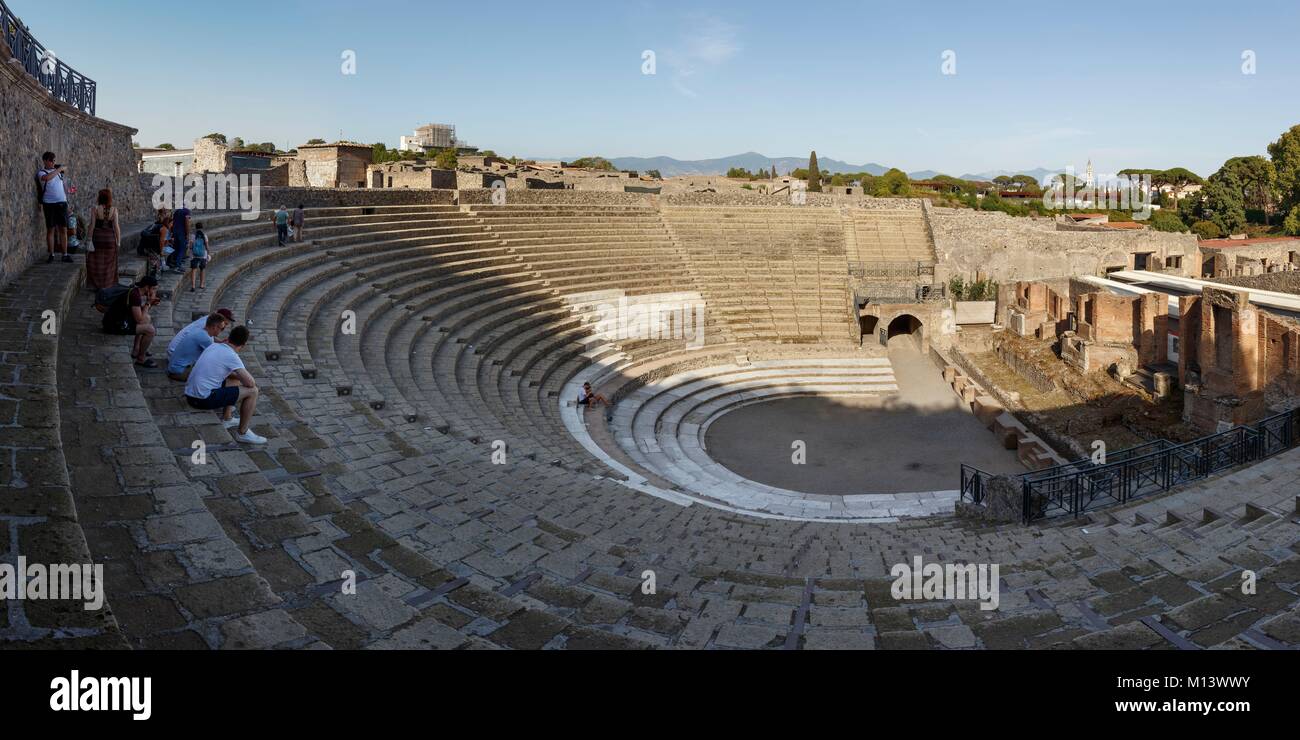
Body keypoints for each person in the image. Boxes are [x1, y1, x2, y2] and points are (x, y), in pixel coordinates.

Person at [183, 325, 266, 444]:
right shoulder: (232, 356)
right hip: (202, 399)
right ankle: (242, 433)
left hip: (190, 395)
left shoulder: (215, 346)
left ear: (229, 337)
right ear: (244, 345)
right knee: (253, 391)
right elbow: (251, 383)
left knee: (234, 377)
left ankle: (227, 418)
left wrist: (237, 375)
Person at [102, 275, 160, 367]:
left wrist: (149, 303)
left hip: (117, 320)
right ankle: (141, 359)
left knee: (147, 318)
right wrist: (148, 303)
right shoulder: (135, 296)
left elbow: (141, 314)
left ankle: (136, 349)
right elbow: (139, 319)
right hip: (115, 325)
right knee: (150, 330)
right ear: (146, 287)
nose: (154, 292)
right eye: (153, 289)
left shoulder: (135, 292)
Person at [167, 311, 231, 381]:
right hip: (179, 372)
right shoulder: (205, 338)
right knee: (217, 374)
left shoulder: (200, 331)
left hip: (174, 368)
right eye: (221, 328)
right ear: (214, 327)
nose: (222, 331)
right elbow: (217, 358)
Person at [37, 152, 71, 263]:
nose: (53, 162)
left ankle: (65, 254)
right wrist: (58, 169)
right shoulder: (42, 172)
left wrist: (69, 195)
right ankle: (51, 254)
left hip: (62, 203)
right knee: (50, 229)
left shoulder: (60, 173)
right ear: (45, 161)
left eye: (54, 160)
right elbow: (46, 178)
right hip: (49, 204)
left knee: (63, 229)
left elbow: (64, 187)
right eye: (51, 160)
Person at [85, 189, 121, 290]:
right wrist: (118, 242)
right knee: (110, 263)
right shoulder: (114, 210)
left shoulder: (95, 209)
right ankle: (107, 285)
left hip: (98, 237)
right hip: (110, 238)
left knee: (96, 261)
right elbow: (116, 227)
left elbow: (92, 225)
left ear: (99, 197)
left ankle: (96, 285)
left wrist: (89, 240)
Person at [186, 222, 212, 291]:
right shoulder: (204, 235)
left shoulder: (193, 236)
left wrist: (190, 251)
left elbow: (191, 246)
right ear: (202, 228)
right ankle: (201, 284)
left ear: (196, 227)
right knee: (202, 269)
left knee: (194, 270)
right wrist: (209, 253)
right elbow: (206, 246)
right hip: (203, 255)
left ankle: (193, 286)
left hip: (194, 255)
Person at [169, 204, 192, 272]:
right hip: (181, 233)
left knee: (176, 248)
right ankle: (178, 266)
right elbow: (187, 223)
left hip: (175, 232)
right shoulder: (186, 211)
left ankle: (173, 262)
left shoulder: (177, 211)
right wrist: (188, 234)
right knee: (182, 249)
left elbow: (173, 222)